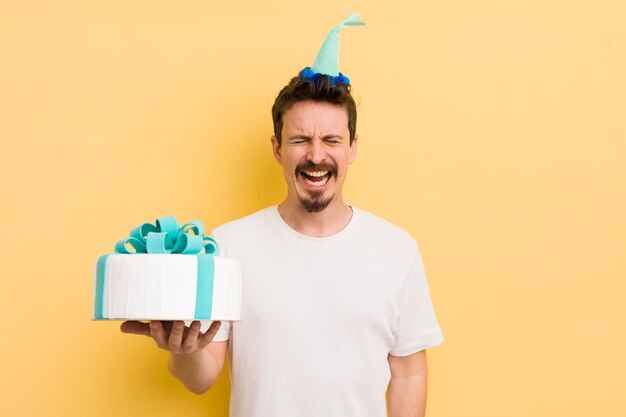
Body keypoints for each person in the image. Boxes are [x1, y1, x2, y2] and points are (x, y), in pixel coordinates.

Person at [121, 13, 443, 417]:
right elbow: (202, 379)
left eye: (331, 140)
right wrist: (183, 351)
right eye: (300, 139)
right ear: (277, 148)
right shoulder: (228, 246)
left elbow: (409, 374)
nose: (316, 154)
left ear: (352, 148)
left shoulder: (396, 249)